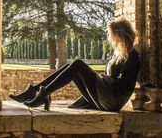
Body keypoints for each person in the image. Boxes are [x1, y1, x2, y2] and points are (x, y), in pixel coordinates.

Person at [9, 19, 140, 111]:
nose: (111, 39)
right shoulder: (119, 54)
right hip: (106, 97)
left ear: (121, 35)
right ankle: (35, 91)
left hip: (113, 100)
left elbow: (123, 88)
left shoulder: (132, 56)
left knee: (78, 64)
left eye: (113, 35)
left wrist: (102, 78)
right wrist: (102, 78)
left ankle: (43, 93)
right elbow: (110, 78)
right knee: (71, 66)